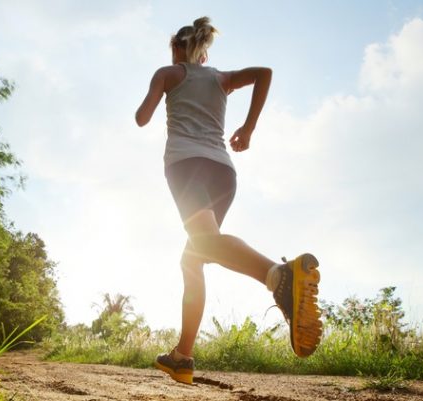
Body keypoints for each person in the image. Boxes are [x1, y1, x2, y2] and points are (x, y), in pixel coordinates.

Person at [135, 17, 321, 385]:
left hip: (186, 166)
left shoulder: (168, 73)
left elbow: (142, 118)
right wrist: (248, 127)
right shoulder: (221, 78)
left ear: (177, 50)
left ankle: (279, 276)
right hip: (223, 171)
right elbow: (264, 73)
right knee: (194, 257)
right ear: (203, 54)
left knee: (204, 245)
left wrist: (159, 88)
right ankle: (182, 356)